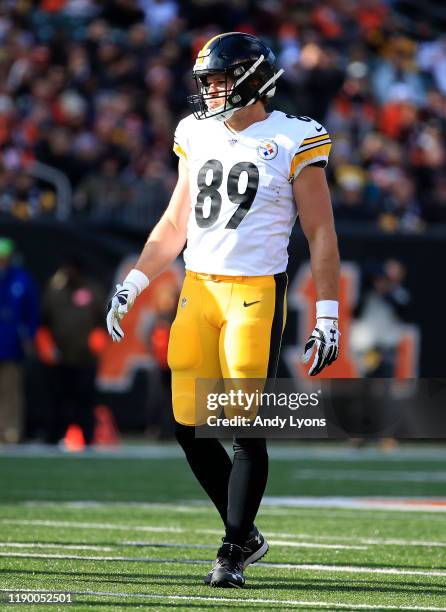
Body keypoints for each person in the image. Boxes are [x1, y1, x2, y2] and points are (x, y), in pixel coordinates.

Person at [106, 32, 340, 588]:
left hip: (256, 291)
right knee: (188, 423)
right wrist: (136, 280)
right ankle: (248, 534)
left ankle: (233, 548)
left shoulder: (293, 137)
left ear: (254, 79)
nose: (209, 91)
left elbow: (321, 232)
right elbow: (174, 223)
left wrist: (327, 313)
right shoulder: (194, 132)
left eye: (219, 79)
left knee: (241, 425)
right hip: (198, 289)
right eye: (205, 81)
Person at [0, 238, 39, 443]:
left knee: (11, 389)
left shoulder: (21, 280)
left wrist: (28, 338)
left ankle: (11, 429)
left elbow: (31, 313)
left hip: (11, 346)